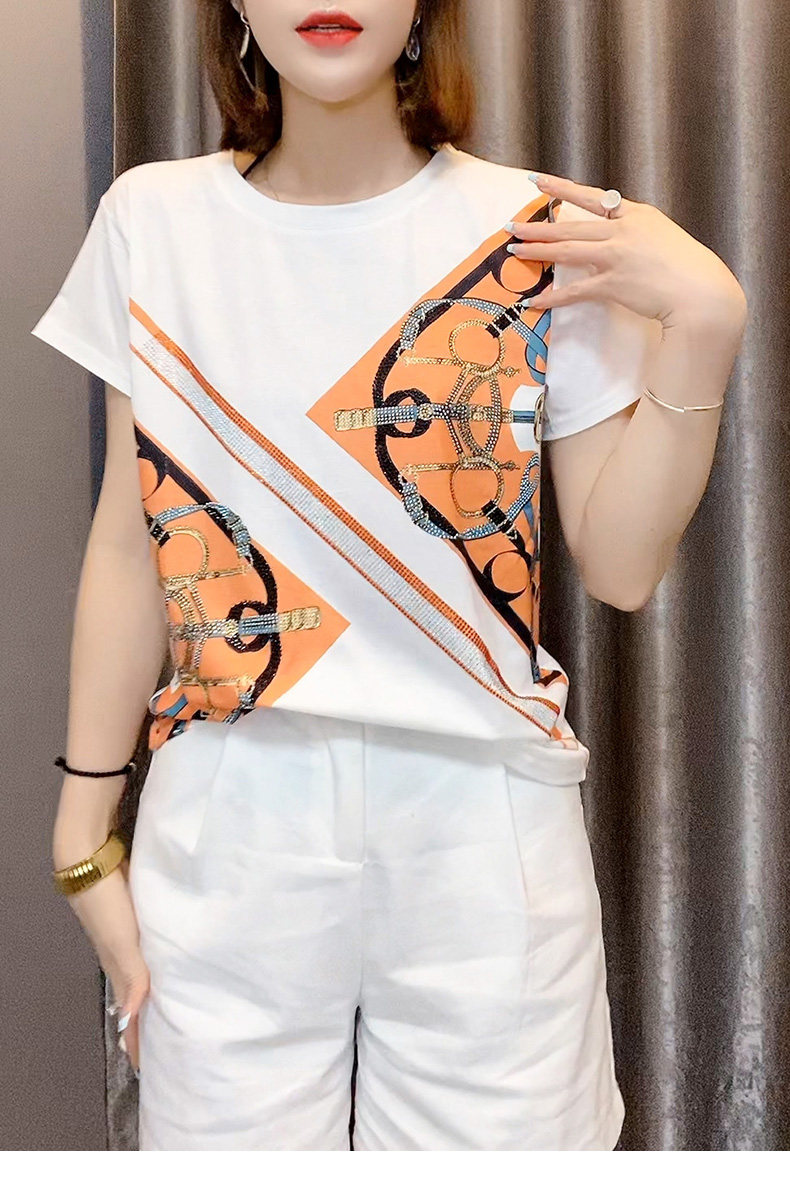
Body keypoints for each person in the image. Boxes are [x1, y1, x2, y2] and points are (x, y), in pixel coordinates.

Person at [31, 0, 746, 1152]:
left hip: (484, 821)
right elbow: (133, 536)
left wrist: (706, 321)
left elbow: (618, 566)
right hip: (233, 814)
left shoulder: (529, 233)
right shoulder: (154, 220)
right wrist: (83, 834)